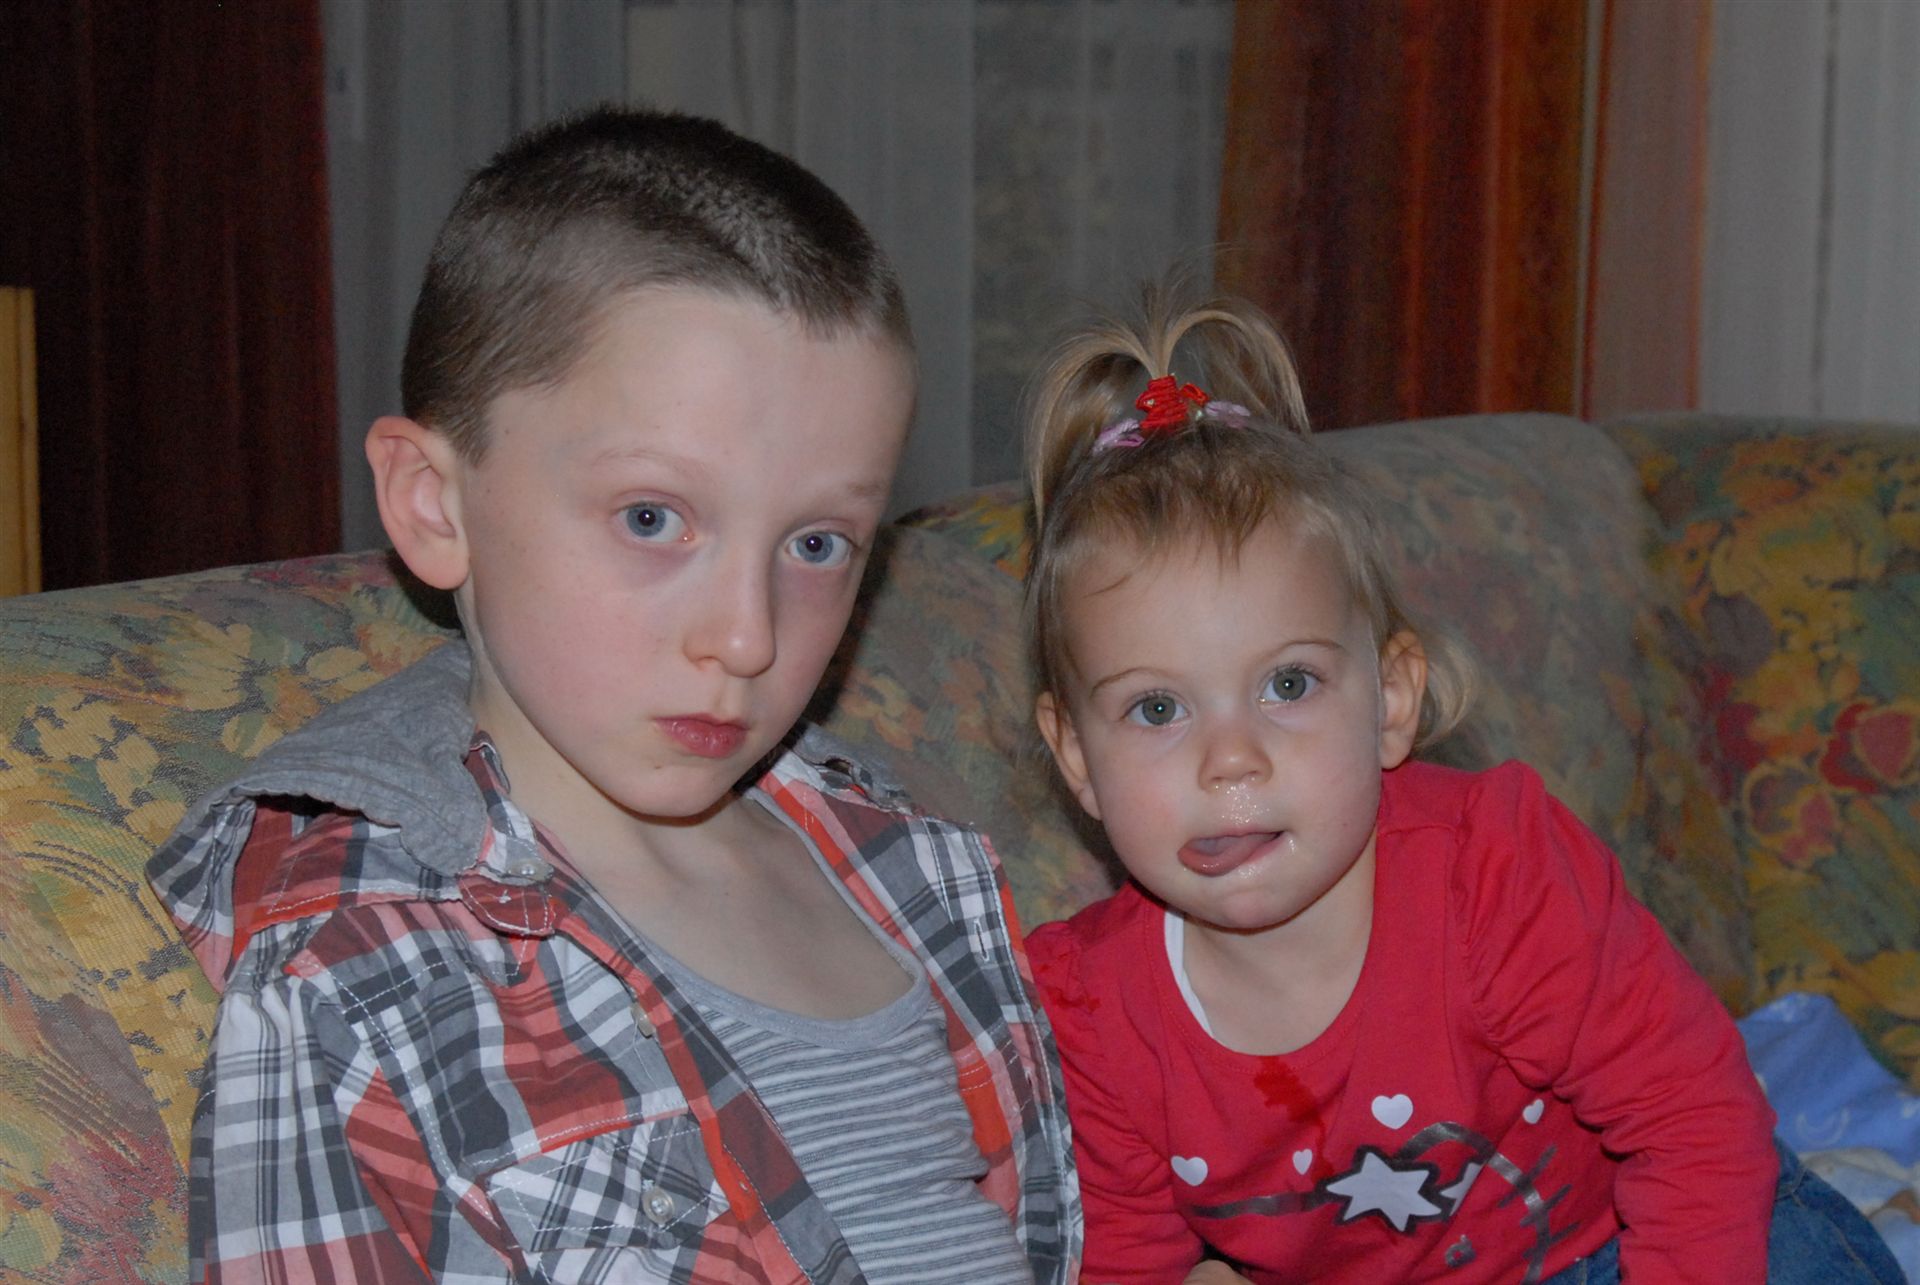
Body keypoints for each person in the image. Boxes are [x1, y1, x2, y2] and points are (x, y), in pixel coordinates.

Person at [147, 106, 1079, 1284]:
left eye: (817, 544)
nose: (745, 636)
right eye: (652, 518)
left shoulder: (908, 865)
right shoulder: (364, 971)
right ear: (434, 503)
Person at [1019, 287, 1902, 1283]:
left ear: (1392, 700)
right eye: (1157, 709)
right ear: (1077, 757)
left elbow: (1692, 1124)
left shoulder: (1496, 877)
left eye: (1288, 685)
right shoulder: (1094, 1014)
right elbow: (1126, 1261)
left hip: (1644, 1234)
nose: (1231, 760)